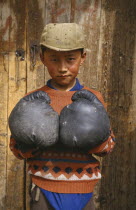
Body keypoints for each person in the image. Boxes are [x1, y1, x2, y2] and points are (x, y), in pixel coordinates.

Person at [9, 23, 116, 210]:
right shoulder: (32, 100)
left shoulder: (93, 99)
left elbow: (108, 146)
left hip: (83, 188)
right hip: (43, 188)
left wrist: (92, 139)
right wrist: (32, 143)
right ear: (42, 58)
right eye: (54, 60)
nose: (63, 68)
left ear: (83, 58)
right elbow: (16, 149)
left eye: (70, 59)